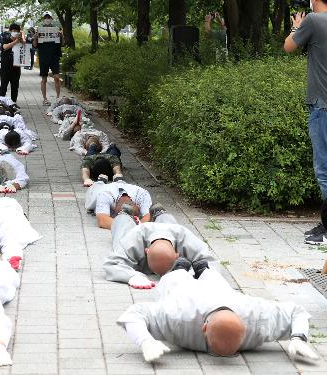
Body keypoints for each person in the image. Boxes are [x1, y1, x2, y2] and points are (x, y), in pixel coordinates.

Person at [117, 265, 318, 362]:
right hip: (183, 291)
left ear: (245, 329)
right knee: (174, 276)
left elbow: (296, 311)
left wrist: (299, 337)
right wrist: (145, 341)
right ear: (203, 329)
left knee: (211, 273)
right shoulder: (178, 317)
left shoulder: (257, 318)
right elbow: (134, 314)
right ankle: (182, 266)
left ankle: (203, 267)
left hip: (223, 292)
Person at [284, 1, 327, 244]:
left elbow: (289, 47)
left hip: (322, 107)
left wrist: (296, 27)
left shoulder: (313, 20)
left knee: (324, 171)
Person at [103, 210, 216, 289]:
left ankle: (161, 213)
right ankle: (124, 215)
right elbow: (111, 264)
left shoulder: (185, 237)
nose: (161, 278)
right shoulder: (133, 238)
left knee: (169, 223)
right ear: (146, 251)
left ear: (177, 255)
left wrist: (193, 274)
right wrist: (131, 276)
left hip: (171, 229)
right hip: (140, 231)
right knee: (121, 233)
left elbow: (212, 263)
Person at [86, 181, 153, 229]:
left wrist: (139, 226)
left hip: (124, 185)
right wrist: (130, 227)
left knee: (120, 182)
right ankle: (102, 179)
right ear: (115, 209)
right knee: (96, 184)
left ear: (138, 206)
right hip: (98, 188)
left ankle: (118, 179)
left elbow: (148, 215)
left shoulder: (143, 194)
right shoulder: (105, 195)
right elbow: (102, 220)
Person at [33, 11, 62, 106]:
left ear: (51, 18)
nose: (47, 19)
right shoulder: (39, 30)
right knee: (44, 79)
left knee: (57, 77)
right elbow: (35, 45)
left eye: (49, 17)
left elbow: (63, 43)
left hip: (54, 56)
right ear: (43, 19)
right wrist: (35, 37)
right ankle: (45, 98)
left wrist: (61, 35)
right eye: (45, 17)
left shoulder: (56, 29)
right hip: (43, 56)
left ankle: (58, 98)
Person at [0, 23, 24, 103]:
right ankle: (1, 104)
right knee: (3, 86)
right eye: (13, 31)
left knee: (15, 87)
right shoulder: (5, 38)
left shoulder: (20, 41)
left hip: (16, 67)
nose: (15, 32)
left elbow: (25, 49)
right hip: (5, 67)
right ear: (10, 31)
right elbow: (5, 47)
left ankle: (13, 104)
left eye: (17, 31)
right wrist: (16, 41)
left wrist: (21, 41)